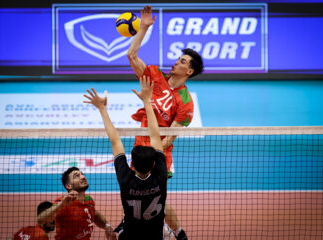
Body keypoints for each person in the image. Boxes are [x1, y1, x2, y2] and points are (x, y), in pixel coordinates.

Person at [127, 5, 204, 240]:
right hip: (139, 149)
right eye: (178, 58)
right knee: (135, 196)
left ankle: (177, 233)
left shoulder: (185, 102)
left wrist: (154, 155)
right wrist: (144, 28)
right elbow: (131, 55)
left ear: (189, 71)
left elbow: (171, 136)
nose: (176, 62)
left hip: (160, 155)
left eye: (182, 61)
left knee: (157, 199)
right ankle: (161, 230)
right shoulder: (156, 77)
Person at [83, 76, 167, 240]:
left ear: (132, 165)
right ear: (154, 164)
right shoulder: (161, 176)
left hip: (129, 235)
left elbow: (115, 141)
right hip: (155, 236)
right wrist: (147, 102)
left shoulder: (125, 180)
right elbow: (156, 136)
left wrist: (102, 109)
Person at [37, 167, 116, 240]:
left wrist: (107, 226)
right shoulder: (63, 201)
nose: (83, 177)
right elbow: (41, 220)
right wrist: (61, 205)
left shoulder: (89, 199)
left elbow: (94, 213)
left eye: (82, 174)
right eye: (76, 176)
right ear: (68, 186)